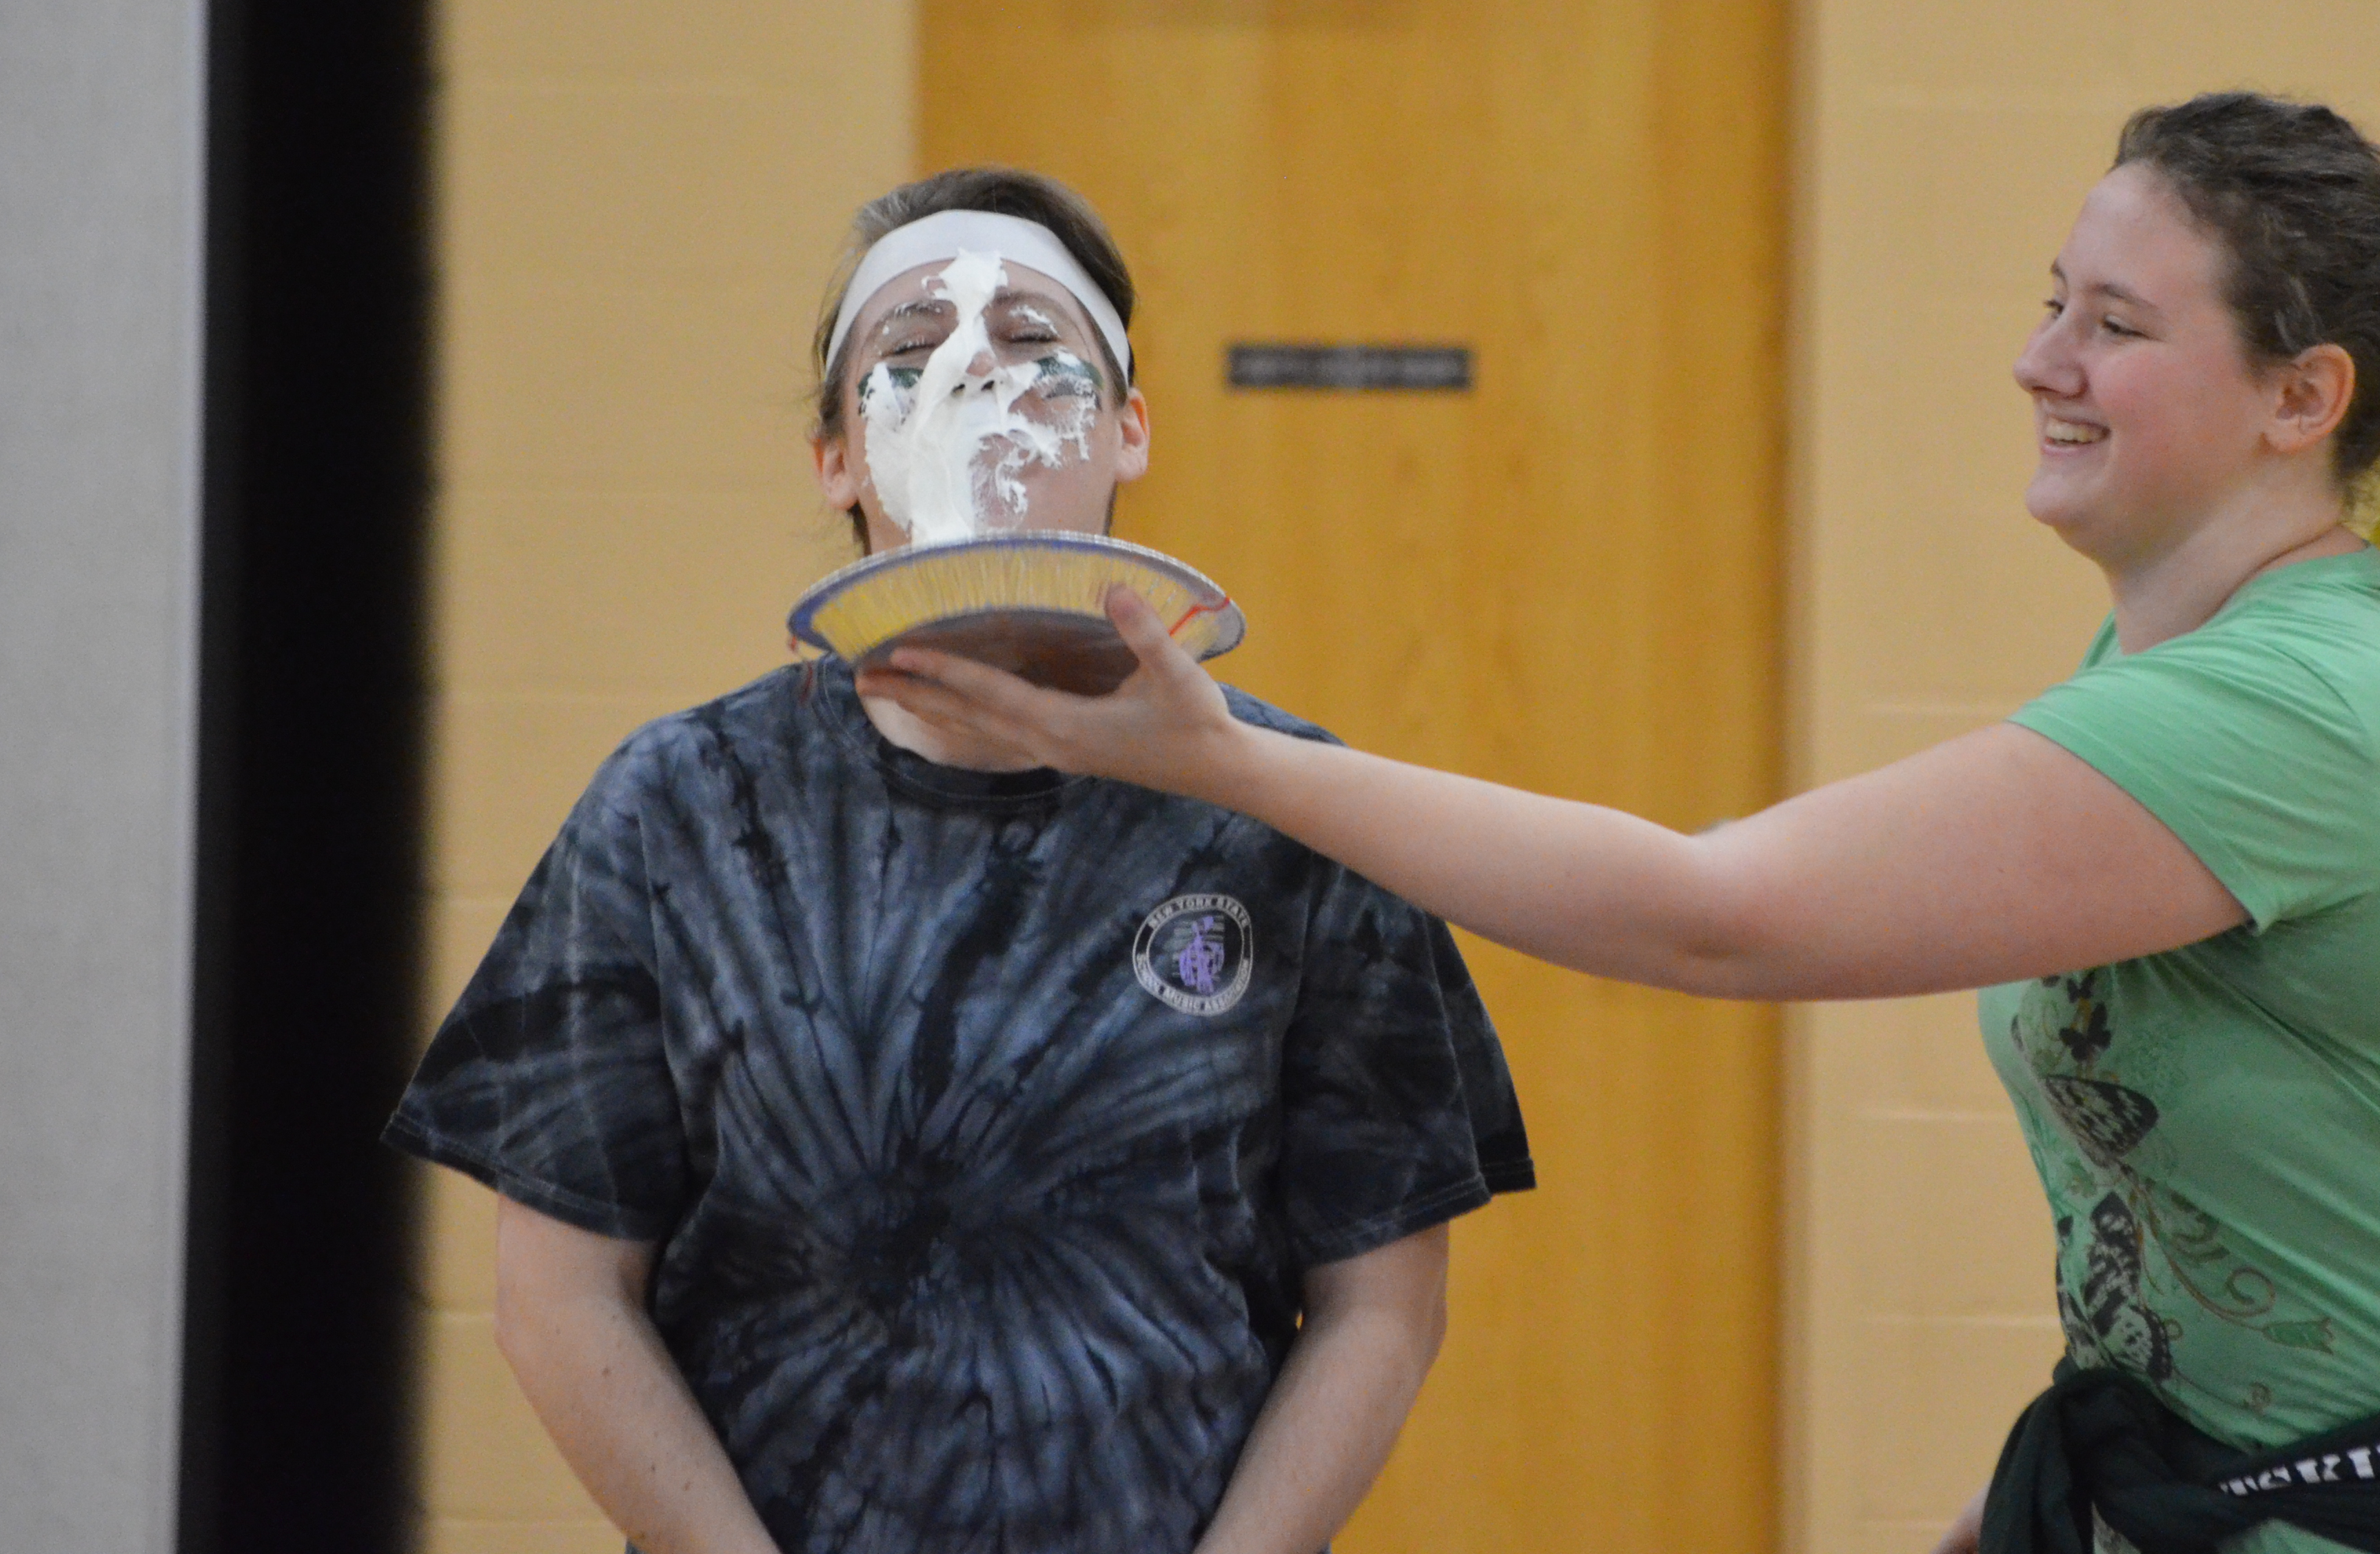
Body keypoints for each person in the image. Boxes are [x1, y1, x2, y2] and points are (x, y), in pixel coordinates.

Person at [882, 95, 2380, 1554]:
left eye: (2113, 325)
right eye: (2052, 301)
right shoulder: (2187, 661)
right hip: (2249, 1466)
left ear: (2304, 397)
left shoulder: (2297, 710)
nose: (2041, 361)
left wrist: (1229, 762)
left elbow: (1720, 916)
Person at [386, 167, 1534, 1554]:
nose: (978, 385)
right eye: (911, 359)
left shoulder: (1294, 817)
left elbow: (1381, 1301)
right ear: (836, 458)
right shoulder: (677, 809)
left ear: (1130, 430)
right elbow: (557, 1298)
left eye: (1038, 353)